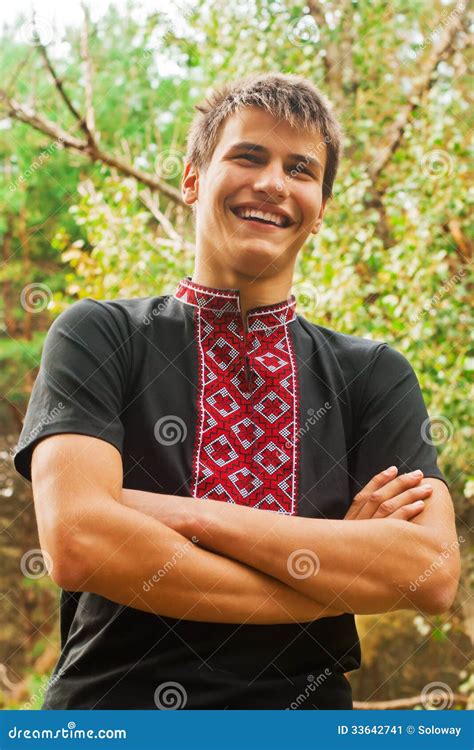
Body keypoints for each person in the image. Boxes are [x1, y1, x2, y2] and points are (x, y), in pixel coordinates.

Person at [13, 72, 459, 710]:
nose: (274, 183)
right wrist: (337, 573)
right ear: (193, 179)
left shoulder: (373, 375)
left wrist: (182, 515)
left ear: (320, 208)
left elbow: (431, 572)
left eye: (300, 169)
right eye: (249, 155)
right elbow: (80, 543)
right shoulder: (100, 335)